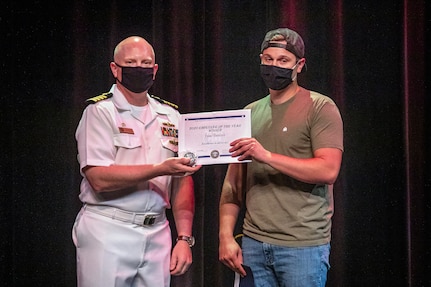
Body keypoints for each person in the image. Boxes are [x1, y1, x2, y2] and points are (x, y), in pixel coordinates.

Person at [218, 28, 344, 287]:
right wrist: (225, 236)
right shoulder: (249, 113)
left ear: (299, 65)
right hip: (253, 244)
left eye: (283, 61)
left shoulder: (320, 107)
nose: (274, 66)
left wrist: (265, 156)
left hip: (302, 247)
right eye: (268, 59)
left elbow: (328, 170)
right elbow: (233, 185)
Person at [72, 36, 201, 287]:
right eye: (130, 62)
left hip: (158, 230)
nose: (139, 68)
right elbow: (98, 178)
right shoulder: (99, 112)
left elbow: (182, 181)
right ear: (114, 69)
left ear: (154, 70)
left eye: (145, 63)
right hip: (108, 227)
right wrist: (160, 169)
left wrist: (184, 238)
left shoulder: (171, 115)